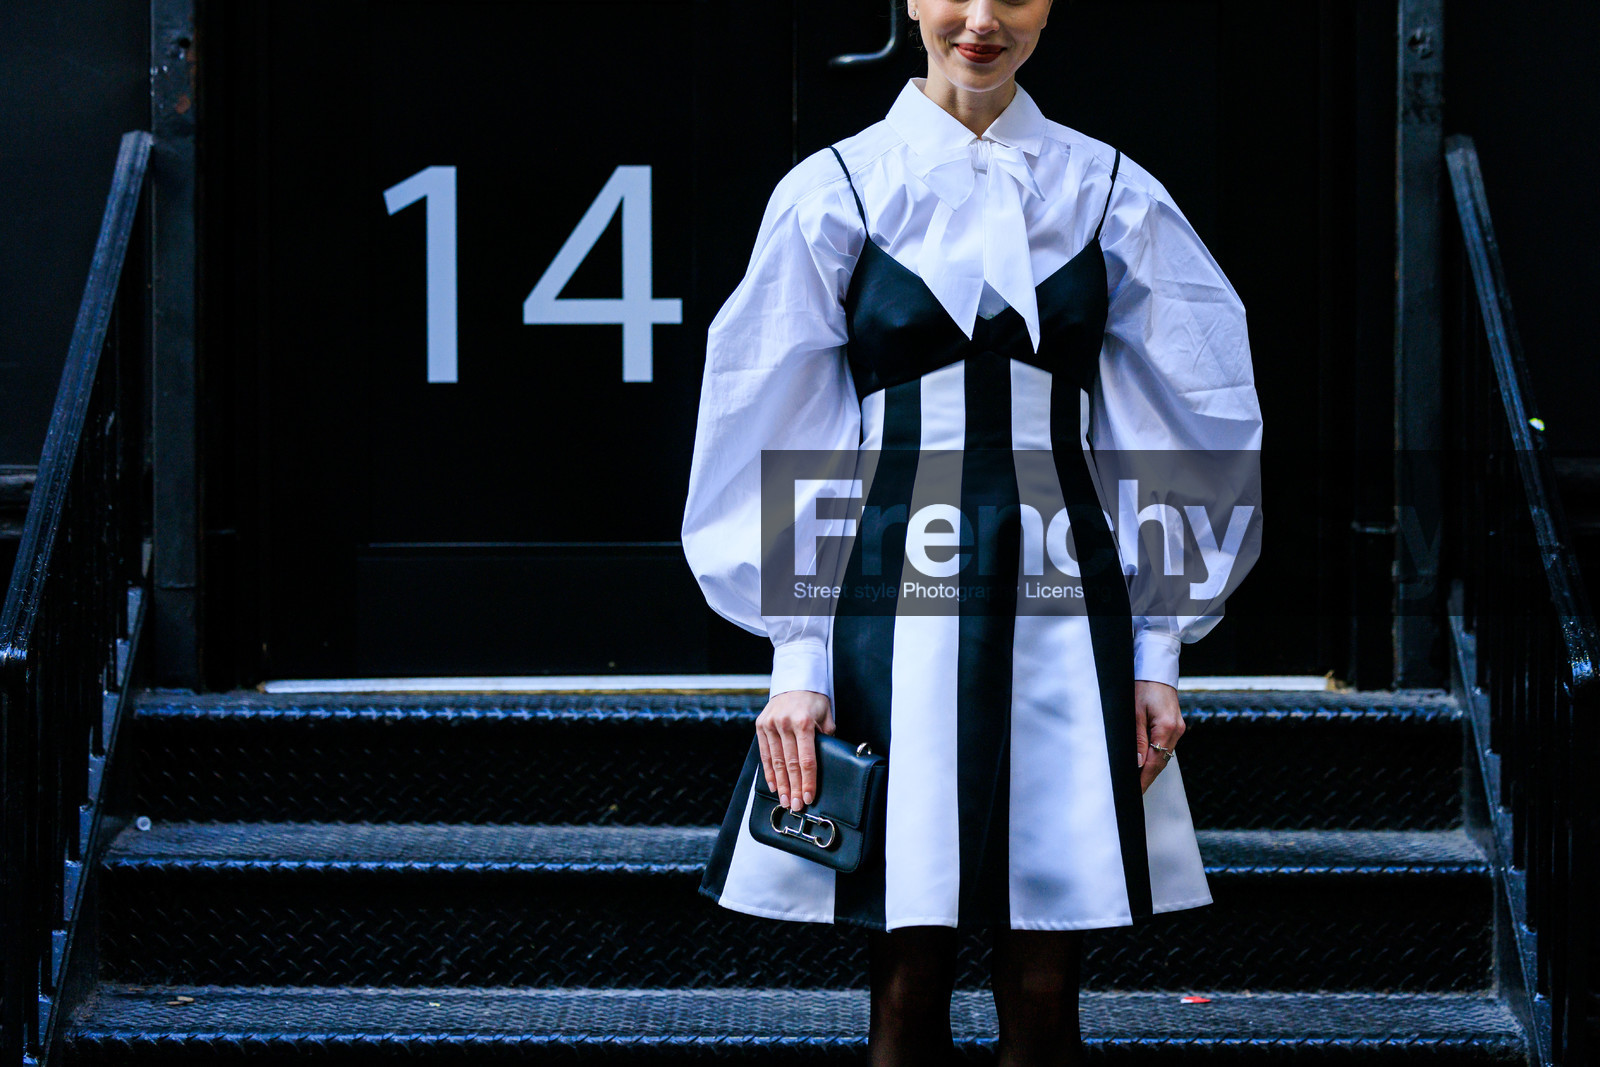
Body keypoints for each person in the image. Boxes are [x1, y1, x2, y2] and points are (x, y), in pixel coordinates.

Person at [681, 0, 1263, 1063]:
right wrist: (796, 658)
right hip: (887, 603)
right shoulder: (835, 191)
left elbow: (1185, 425)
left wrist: (1159, 649)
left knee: (1048, 974)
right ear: (909, 0)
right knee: (906, 967)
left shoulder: (1111, 190)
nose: (982, 20)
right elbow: (770, 427)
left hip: (1064, 603)